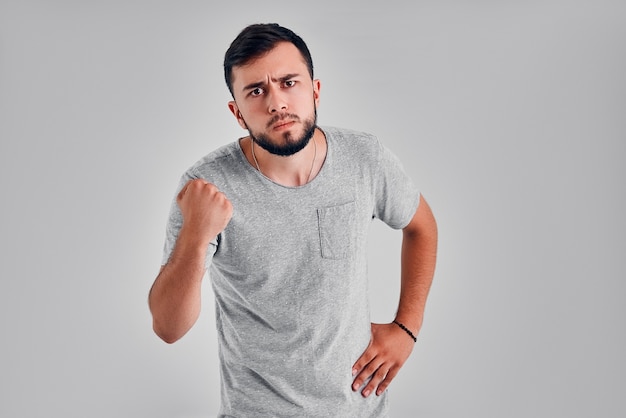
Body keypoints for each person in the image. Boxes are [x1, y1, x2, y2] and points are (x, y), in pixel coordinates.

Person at [148, 23, 438, 418]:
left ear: (315, 90)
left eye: (289, 82)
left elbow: (421, 226)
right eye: (256, 91)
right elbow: (168, 327)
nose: (276, 103)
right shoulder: (207, 187)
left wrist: (406, 328)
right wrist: (196, 237)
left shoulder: (364, 160)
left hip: (360, 410)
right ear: (237, 112)